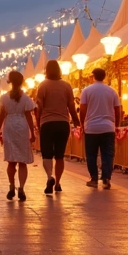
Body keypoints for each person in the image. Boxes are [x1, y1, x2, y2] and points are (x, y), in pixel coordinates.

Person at [35, 60, 79, 195]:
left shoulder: (42, 86)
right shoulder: (66, 86)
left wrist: (38, 123)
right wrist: (77, 122)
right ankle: (58, 183)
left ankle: (49, 177)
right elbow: (71, 106)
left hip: (47, 123)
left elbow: (39, 107)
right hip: (63, 123)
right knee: (60, 156)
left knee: (47, 154)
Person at [0, 71, 36, 201]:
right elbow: (29, 116)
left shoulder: (4, 97)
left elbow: (2, 115)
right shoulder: (25, 98)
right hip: (22, 126)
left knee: (11, 161)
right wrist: (33, 132)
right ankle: (22, 188)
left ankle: (11, 186)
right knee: (22, 161)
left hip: (10, 126)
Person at [80, 68, 119, 189]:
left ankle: (94, 179)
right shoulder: (112, 91)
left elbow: (82, 109)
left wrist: (82, 124)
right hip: (108, 127)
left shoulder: (87, 91)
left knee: (91, 154)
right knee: (108, 154)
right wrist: (116, 125)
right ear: (104, 76)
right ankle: (106, 178)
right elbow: (117, 109)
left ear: (93, 76)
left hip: (91, 127)